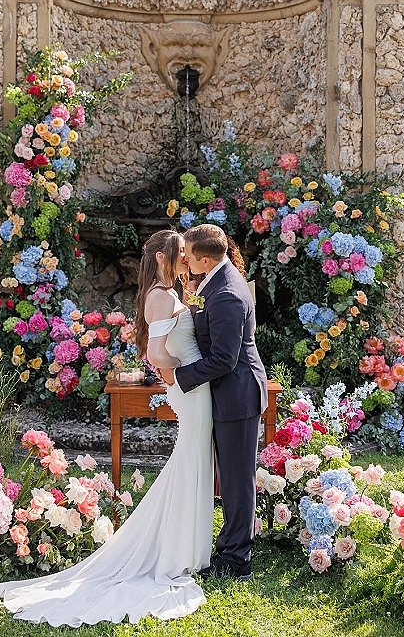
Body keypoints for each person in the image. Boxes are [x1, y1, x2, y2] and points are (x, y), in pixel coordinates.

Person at [0, 230, 214, 626]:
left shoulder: (168, 293)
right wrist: (176, 379)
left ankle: (189, 548)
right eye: (180, 252)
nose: (186, 257)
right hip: (189, 388)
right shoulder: (162, 297)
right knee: (190, 459)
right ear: (163, 258)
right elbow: (156, 353)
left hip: (194, 387)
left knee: (193, 458)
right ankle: (180, 552)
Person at [158, 223, 267, 581]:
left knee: (237, 480)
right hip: (224, 393)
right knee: (231, 476)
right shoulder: (213, 283)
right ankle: (231, 547)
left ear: (205, 259)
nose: (183, 261)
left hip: (237, 395)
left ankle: (238, 561)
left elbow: (224, 358)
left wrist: (179, 377)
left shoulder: (227, 294)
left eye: (187, 256)